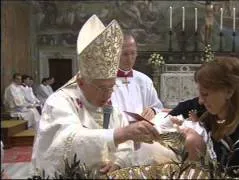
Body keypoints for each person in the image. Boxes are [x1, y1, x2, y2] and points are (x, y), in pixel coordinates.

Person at [31, 15, 160, 177]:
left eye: (111, 87)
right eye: (101, 88)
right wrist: (121, 133)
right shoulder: (59, 102)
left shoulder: (110, 106)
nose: (108, 95)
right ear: (81, 81)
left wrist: (119, 161)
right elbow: (65, 143)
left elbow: (126, 145)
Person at [182, 57, 239, 170]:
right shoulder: (210, 118)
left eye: (205, 94)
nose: (200, 100)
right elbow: (179, 110)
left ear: (229, 92)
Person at [111, 33, 163, 122]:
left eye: (133, 53)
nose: (130, 58)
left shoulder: (144, 80)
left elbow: (157, 107)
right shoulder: (107, 82)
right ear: (115, 55)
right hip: (119, 131)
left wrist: (153, 110)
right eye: (125, 54)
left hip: (142, 131)